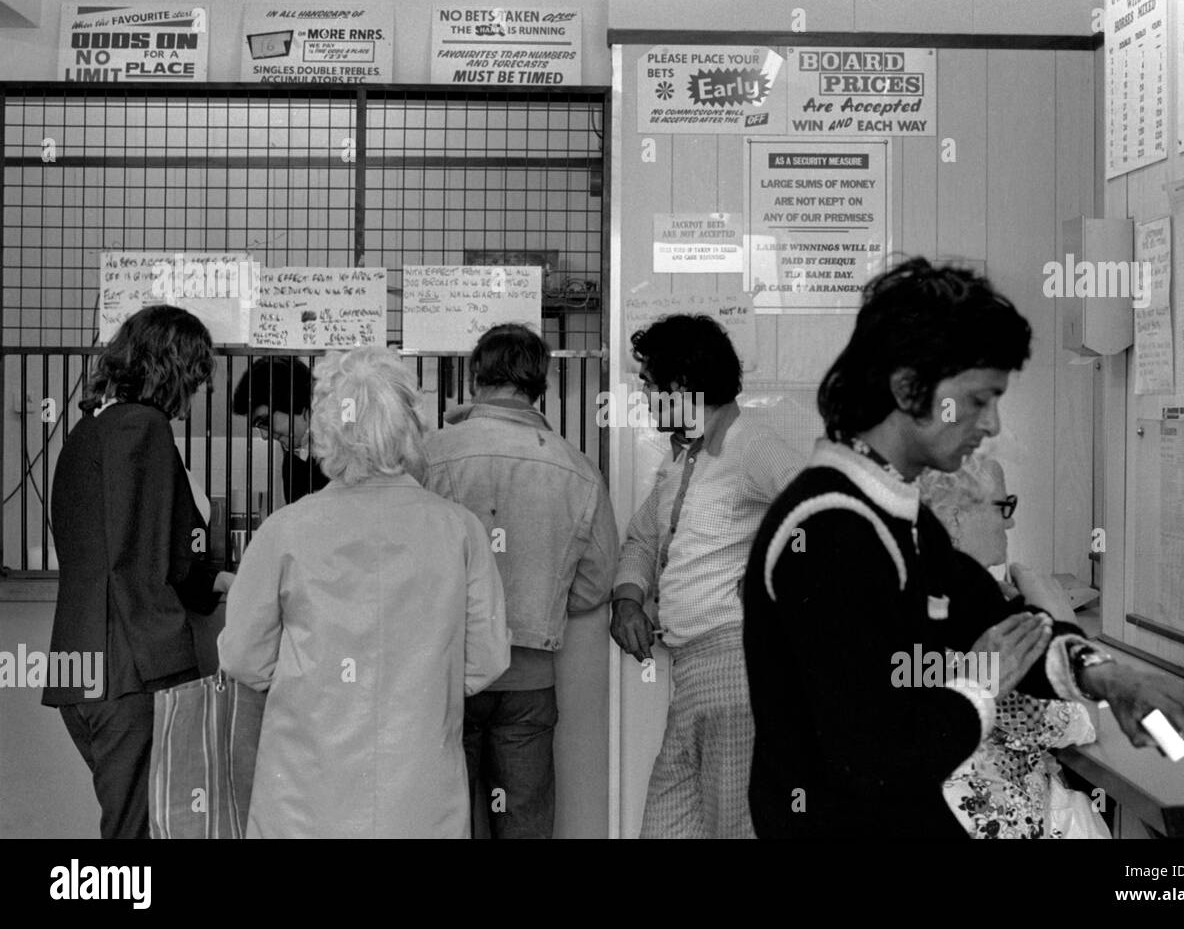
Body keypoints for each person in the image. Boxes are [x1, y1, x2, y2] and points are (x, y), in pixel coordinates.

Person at [742, 257, 1184, 839]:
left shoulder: (902, 517)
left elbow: (1009, 625)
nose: (992, 425)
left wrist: (1110, 678)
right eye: (980, 399)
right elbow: (869, 759)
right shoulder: (829, 531)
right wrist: (980, 684)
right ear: (908, 387)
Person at [218, 347, 510, 838]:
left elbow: (244, 658)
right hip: (421, 790)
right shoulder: (460, 531)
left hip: (306, 793)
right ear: (410, 428)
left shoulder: (284, 531)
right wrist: (416, 687)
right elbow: (487, 658)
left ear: (326, 428)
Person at [610, 314, 806, 839]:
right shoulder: (684, 459)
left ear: (679, 386)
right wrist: (627, 599)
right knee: (668, 825)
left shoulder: (749, 445)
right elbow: (642, 539)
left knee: (733, 827)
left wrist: (775, 583)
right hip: (692, 673)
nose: (645, 396)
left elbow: (822, 516)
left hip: (736, 668)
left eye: (649, 384)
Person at [43, 305, 234, 839]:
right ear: (174, 368)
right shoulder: (145, 428)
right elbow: (158, 562)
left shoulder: (88, 430)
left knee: (125, 828)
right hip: (131, 669)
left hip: (77, 669)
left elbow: (113, 551)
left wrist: (213, 579)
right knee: (140, 833)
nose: (192, 397)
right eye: (194, 380)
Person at [422, 323, 618, 839]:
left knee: (447, 819)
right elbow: (596, 583)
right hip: (530, 676)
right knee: (524, 822)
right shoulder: (575, 466)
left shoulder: (428, 456)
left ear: (475, 376)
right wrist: (543, 599)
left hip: (446, 671)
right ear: (542, 383)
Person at [918, 454, 1108, 838]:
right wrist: (1059, 615)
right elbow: (1085, 723)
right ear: (955, 519)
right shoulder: (979, 624)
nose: (1011, 521)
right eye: (1003, 507)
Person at [232, 356, 328, 504]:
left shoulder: (347, 448)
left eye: (265, 421)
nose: (265, 436)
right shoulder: (293, 462)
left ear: (293, 402)